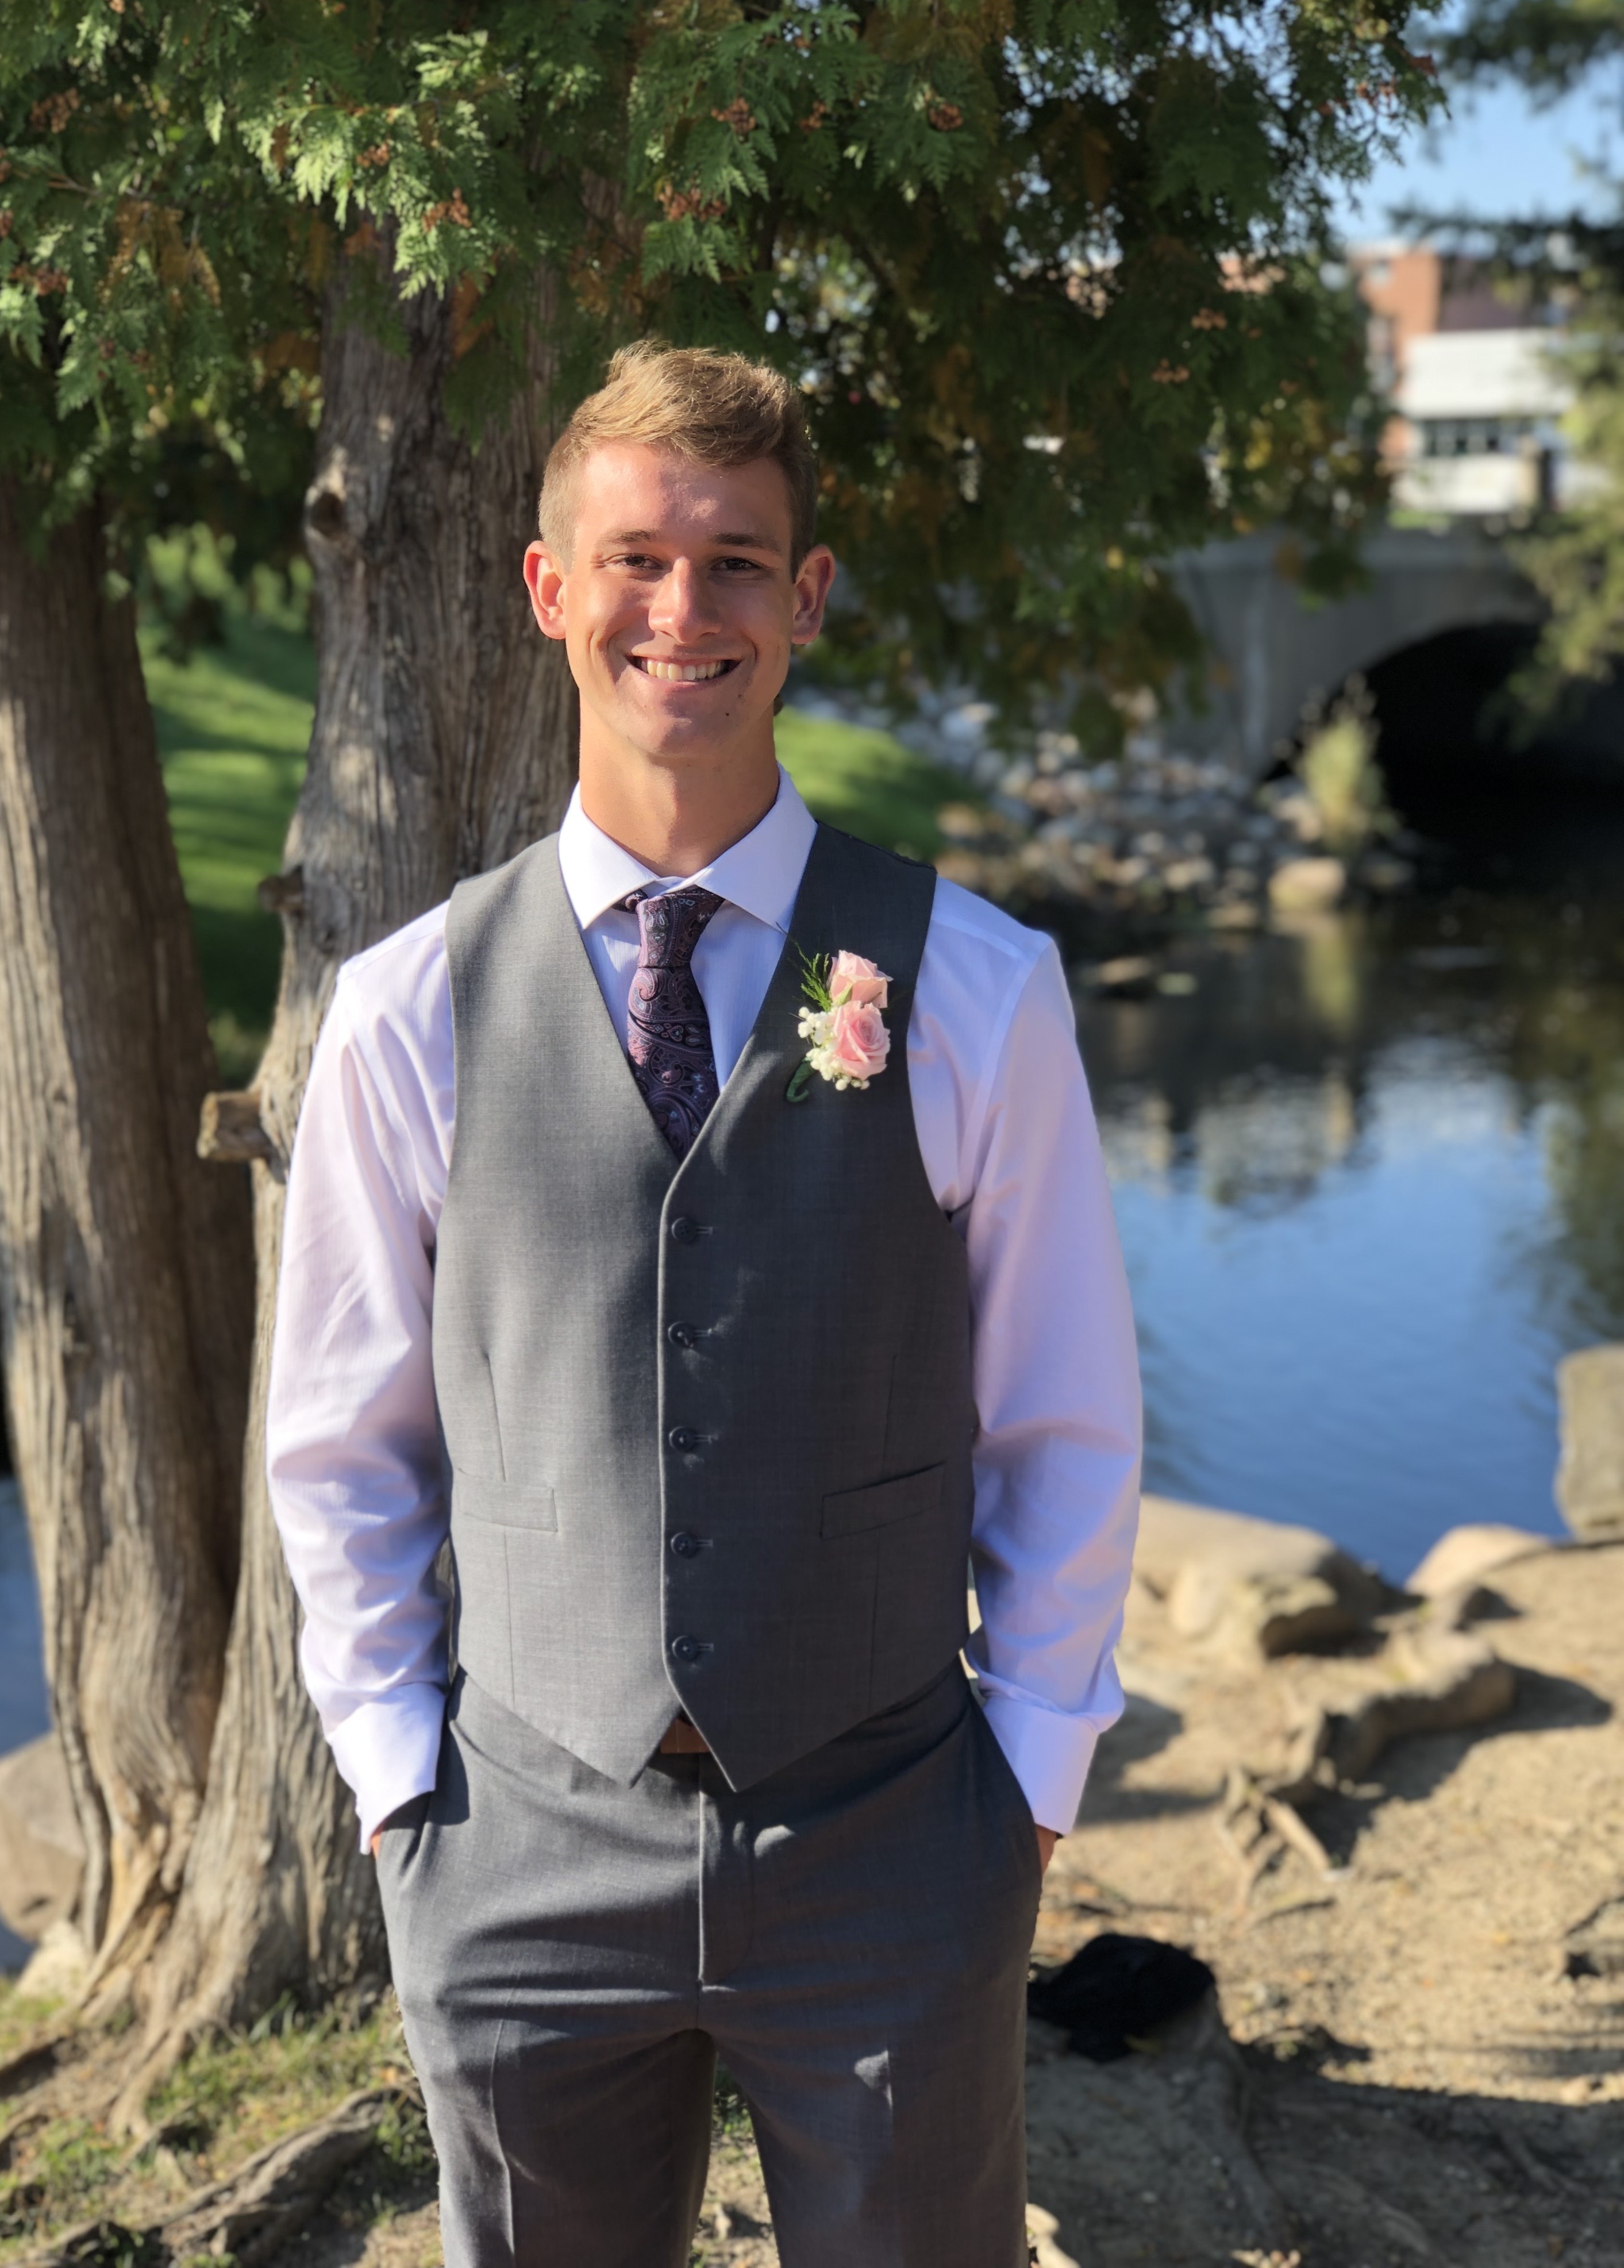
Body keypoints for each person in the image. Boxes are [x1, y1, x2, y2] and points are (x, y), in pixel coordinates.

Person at [267, 341, 1142, 2267]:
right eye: (639, 559)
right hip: (516, 1849)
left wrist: (1028, 1782)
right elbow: (344, 1439)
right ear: (550, 589)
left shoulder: (975, 986)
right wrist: (401, 1783)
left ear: (807, 597)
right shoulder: (408, 1011)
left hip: (895, 1837)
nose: (686, 608)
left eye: (738, 560)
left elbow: (1063, 1416)